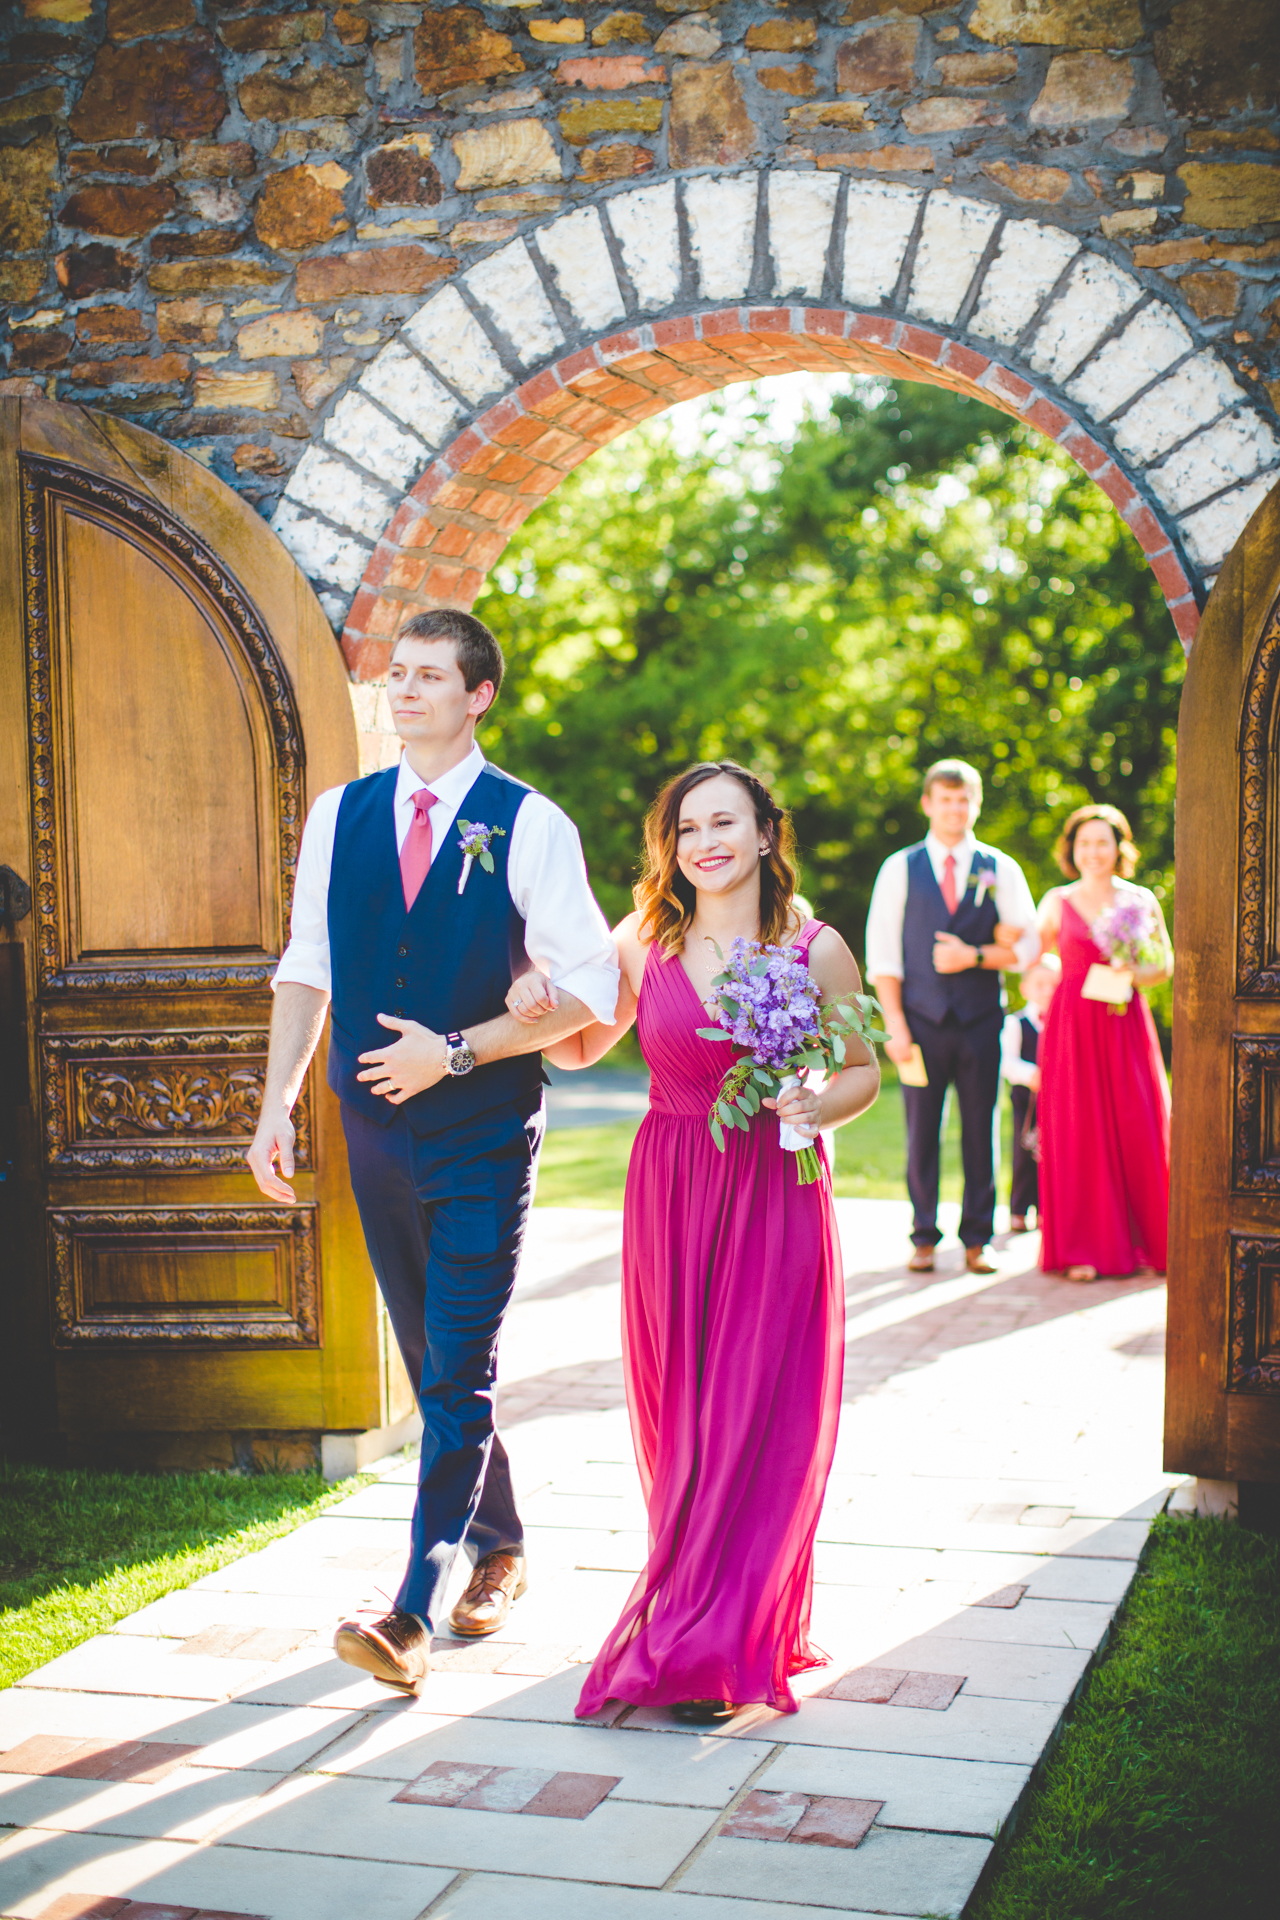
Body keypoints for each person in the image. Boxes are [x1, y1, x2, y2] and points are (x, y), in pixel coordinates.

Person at [246, 610, 619, 1695]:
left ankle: (409, 1608)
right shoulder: (341, 814)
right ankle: (501, 1542)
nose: (403, 692)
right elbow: (306, 965)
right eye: (395, 675)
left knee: (458, 1360)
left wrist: (458, 1051)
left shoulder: (528, 823)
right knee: (431, 1359)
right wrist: (276, 1105)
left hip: (484, 1136)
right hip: (373, 1132)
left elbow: (589, 990)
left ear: (478, 695)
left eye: (427, 677)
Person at [507, 761, 879, 1722]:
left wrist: (814, 1101)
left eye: (726, 822)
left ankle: (723, 1637)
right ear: (670, 849)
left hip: (775, 1190)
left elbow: (862, 1071)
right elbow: (583, 1047)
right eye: (686, 828)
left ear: (766, 835)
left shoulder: (817, 947)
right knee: (686, 1414)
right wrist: (538, 1003)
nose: (705, 842)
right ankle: (696, 1600)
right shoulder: (641, 939)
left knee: (758, 1408)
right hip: (672, 1188)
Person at [866, 760, 1040, 1274]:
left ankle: (977, 1238)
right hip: (918, 1021)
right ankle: (923, 1234)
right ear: (928, 804)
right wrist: (894, 1024)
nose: (955, 809)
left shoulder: (998, 867)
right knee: (921, 1129)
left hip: (983, 1020)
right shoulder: (900, 867)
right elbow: (883, 956)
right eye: (945, 799)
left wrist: (978, 955)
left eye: (964, 800)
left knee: (980, 1128)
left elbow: (1028, 946)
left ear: (976, 804)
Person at [1035, 804, 1172, 1282]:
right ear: (1072, 850)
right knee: (1079, 1128)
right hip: (1072, 1027)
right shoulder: (1055, 900)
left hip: (1123, 1022)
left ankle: (1149, 1242)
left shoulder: (1139, 899)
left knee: (1138, 1121)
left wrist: (1130, 970)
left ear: (1119, 848)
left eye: (1102, 842)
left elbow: (1164, 967)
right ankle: (1083, 1248)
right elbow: (1035, 960)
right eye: (1084, 843)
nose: (1093, 852)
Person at [1001, 953, 1060, 1233]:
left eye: (1053, 984)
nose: (1047, 991)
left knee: (1053, 1153)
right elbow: (1006, 1062)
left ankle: (1046, 1208)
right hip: (1026, 1100)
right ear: (1025, 987)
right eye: (1040, 984)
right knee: (1025, 1150)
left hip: (1058, 1101)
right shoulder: (1016, 1023)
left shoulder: (1064, 1023)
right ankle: (1019, 1208)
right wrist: (1030, 1075)